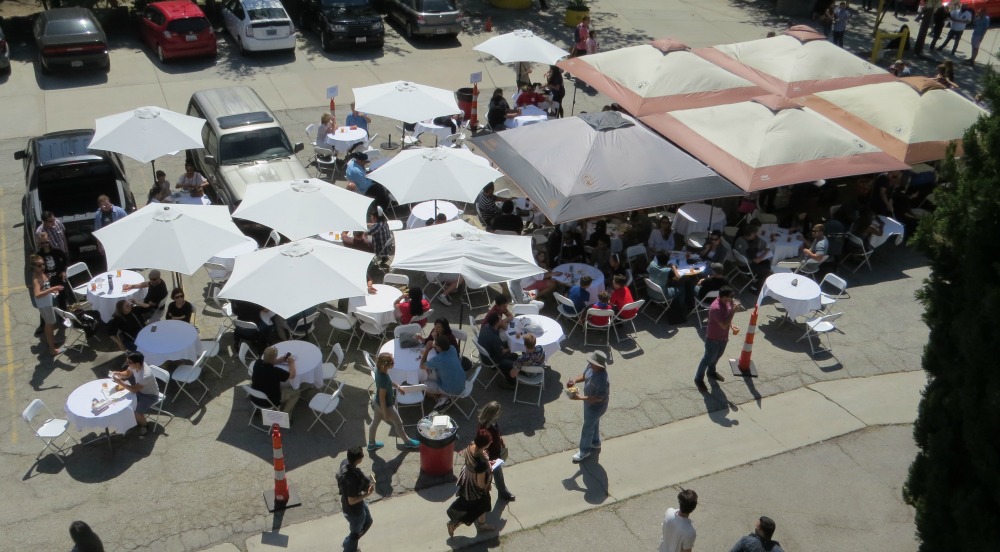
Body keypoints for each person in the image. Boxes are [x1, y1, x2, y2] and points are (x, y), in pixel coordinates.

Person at [445, 430, 496, 536]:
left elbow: (476, 455)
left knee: (481, 505)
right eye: (489, 442)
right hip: (474, 487)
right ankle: (454, 524)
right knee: (476, 508)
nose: (490, 442)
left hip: (466, 477)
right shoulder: (480, 464)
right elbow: (480, 484)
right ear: (485, 445)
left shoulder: (471, 444)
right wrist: (487, 486)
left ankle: (482, 524)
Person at [367, 352, 421, 451]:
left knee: (375, 422)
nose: (394, 364)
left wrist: (398, 386)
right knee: (398, 423)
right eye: (392, 362)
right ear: (385, 365)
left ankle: (371, 443)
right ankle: (407, 442)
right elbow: (382, 397)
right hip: (386, 405)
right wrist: (385, 413)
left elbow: (389, 382)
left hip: (377, 402)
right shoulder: (383, 378)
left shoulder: (380, 371)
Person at [566, 350, 610, 463]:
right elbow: (585, 376)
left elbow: (599, 397)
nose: (590, 363)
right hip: (588, 402)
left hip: (597, 407)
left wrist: (580, 398)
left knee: (587, 427)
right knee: (593, 423)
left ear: (599, 365)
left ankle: (584, 451)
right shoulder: (591, 367)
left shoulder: (602, 379)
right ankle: (595, 442)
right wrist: (574, 380)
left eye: (592, 362)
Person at [694, 286, 740, 392]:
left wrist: (732, 325)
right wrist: (734, 311)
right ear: (724, 297)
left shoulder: (727, 302)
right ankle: (698, 379)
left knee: (717, 357)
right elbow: (724, 324)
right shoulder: (716, 308)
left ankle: (711, 372)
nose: (732, 298)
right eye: (731, 296)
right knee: (707, 359)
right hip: (713, 339)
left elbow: (727, 318)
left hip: (723, 338)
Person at [109, 351, 161, 437]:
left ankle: (145, 425)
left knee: (137, 413)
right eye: (127, 362)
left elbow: (134, 389)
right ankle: (131, 420)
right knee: (122, 401)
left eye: (129, 363)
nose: (127, 364)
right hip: (140, 391)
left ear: (137, 363)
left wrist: (119, 382)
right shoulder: (134, 365)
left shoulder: (145, 375)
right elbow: (127, 373)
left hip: (150, 396)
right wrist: (118, 373)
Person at [338, 446, 375, 551]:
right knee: (355, 534)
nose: (363, 457)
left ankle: (348, 542)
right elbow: (351, 500)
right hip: (354, 512)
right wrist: (367, 495)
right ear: (358, 459)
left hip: (359, 506)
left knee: (368, 521)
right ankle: (349, 547)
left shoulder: (345, 463)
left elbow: (358, 479)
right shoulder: (351, 479)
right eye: (362, 456)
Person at [477, 401, 515, 501]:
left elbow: (496, 433)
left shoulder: (492, 422)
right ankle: (499, 493)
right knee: (489, 478)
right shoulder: (484, 429)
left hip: (495, 454)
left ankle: (502, 492)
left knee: (497, 475)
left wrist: (500, 440)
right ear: (492, 413)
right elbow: (481, 445)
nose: (500, 413)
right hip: (490, 457)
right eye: (498, 412)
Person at [250, 346, 301, 414]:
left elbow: (268, 362)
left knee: (276, 383)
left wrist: (279, 360)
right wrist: (291, 363)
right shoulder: (275, 372)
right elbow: (292, 375)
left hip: (254, 398)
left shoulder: (257, 363)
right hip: (269, 402)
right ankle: (285, 416)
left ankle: (258, 409)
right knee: (297, 391)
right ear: (274, 358)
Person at [30, 254, 64, 356]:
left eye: (43, 264)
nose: (42, 267)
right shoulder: (36, 279)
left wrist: (51, 291)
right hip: (44, 306)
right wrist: (52, 289)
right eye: (39, 265)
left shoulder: (42, 274)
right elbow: (37, 294)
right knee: (50, 325)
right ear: (34, 267)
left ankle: (51, 342)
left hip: (47, 303)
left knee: (48, 324)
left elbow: (44, 288)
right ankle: (52, 349)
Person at [420, 334, 465, 407]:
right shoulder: (452, 348)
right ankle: (444, 396)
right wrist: (436, 340)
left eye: (436, 345)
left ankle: (439, 399)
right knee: (434, 373)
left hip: (452, 390)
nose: (434, 346)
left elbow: (422, 365)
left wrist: (427, 350)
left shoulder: (438, 360)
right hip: (462, 384)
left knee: (422, 383)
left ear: (440, 347)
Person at [478, 312, 518, 387]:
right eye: (500, 320)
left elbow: (498, 345)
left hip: (485, 354)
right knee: (513, 358)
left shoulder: (486, 327)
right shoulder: (494, 338)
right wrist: (510, 348)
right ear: (497, 322)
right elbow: (501, 352)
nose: (501, 321)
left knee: (514, 354)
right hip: (490, 359)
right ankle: (511, 383)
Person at [733, 226, 771, 292]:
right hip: (746, 266)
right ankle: (755, 286)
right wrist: (766, 252)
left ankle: (757, 276)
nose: (755, 236)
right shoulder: (746, 247)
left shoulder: (739, 239)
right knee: (768, 271)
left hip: (739, 262)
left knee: (766, 262)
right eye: (754, 234)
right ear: (749, 235)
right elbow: (757, 260)